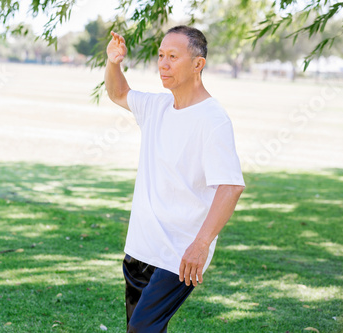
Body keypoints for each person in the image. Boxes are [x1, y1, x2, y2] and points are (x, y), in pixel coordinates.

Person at [105, 26, 246, 332]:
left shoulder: (213, 120)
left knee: (141, 329)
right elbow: (118, 93)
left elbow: (231, 186)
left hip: (180, 253)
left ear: (198, 64)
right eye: (160, 56)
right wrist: (114, 62)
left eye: (173, 56)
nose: (163, 64)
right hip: (141, 245)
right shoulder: (156, 106)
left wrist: (201, 244)